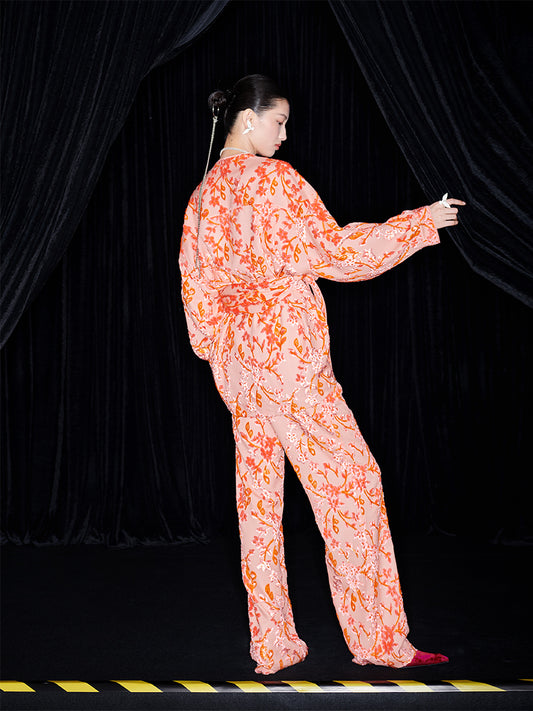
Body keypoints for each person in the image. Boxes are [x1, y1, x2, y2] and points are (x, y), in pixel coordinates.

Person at [179, 74, 465, 675]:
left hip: (241, 371)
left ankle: (273, 645)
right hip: (289, 364)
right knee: (354, 486)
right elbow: (336, 253)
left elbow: (195, 292)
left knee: (259, 506)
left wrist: (224, 357)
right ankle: (380, 641)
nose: (284, 135)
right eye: (279, 121)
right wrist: (420, 223)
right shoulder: (275, 181)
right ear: (248, 118)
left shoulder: (202, 196)